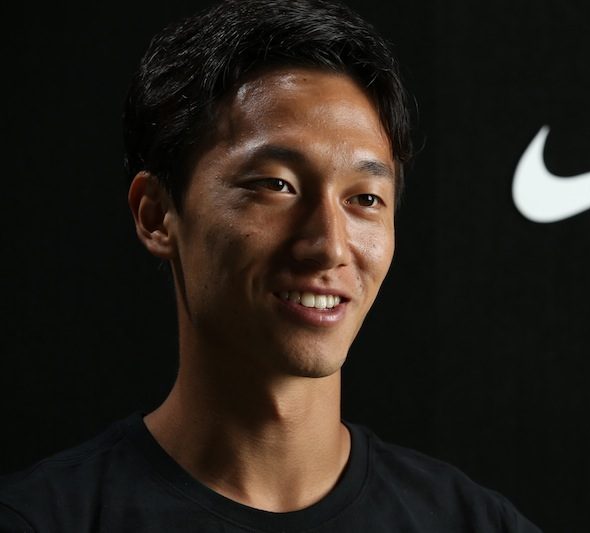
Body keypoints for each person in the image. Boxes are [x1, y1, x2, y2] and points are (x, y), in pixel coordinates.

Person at [0, 1, 541, 531]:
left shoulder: (476, 522)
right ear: (157, 214)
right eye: (276, 185)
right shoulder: (42, 518)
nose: (329, 246)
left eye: (364, 198)